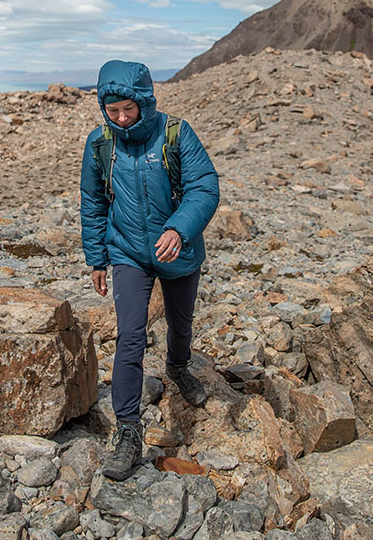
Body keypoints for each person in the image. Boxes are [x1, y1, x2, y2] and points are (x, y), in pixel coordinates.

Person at [80, 60, 220, 481]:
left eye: (128, 108)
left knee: (181, 323)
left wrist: (180, 228)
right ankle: (127, 429)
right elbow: (93, 202)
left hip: (177, 251)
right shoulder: (100, 143)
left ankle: (178, 367)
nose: (121, 117)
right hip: (127, 253)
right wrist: (96, 258)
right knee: (130, 336)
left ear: (144, 101)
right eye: (112, 109)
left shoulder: (176, 133)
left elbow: (204, 187)